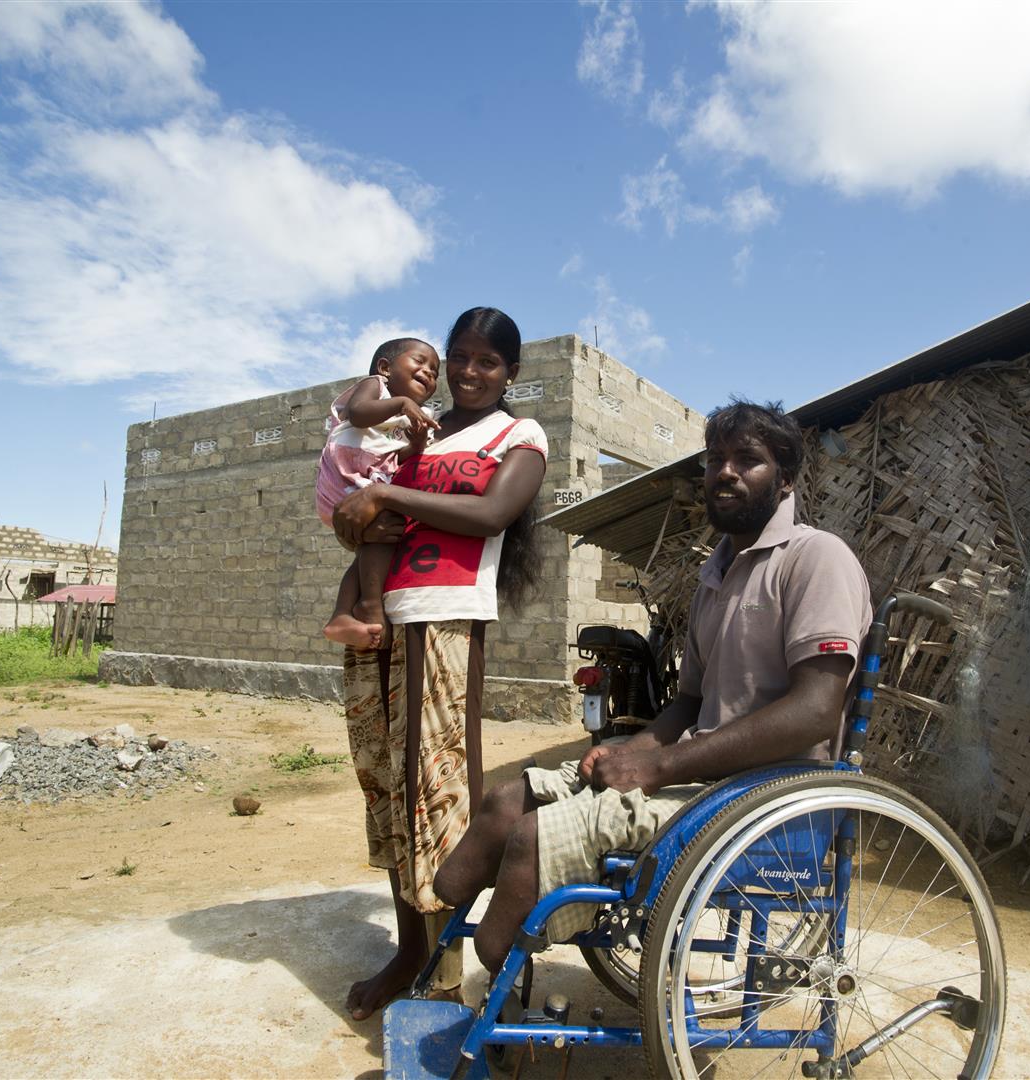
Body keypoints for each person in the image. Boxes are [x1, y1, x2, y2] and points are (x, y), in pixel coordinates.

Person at [433, 399, 874, 973]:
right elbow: (686, 705)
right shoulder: (715, 574)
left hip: (770, 801)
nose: (727, 472)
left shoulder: (816, 559)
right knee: (502, 806)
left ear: (785, 479)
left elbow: (816, 712)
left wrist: (660, 768)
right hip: (706, 784)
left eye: (749, 460)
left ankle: (497, 1002)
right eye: (716, 459)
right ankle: (455, 948)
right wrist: (626, 753)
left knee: (531, 839)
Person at [331, 307, 547, 1020]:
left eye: (488, 361)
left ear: (511, 372)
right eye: (460, 356)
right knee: (389, 791)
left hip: (445, 618)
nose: (469, 371)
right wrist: (354, 513)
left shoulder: (519, 434)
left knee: (441, 789)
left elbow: (490, 515)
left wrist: (387, 494)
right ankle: (407, 951)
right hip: (379, 620)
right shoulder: (413, 426)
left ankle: (449, 965)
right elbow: (354, 507)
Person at [316, 337, 442, 648]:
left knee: (373, 544)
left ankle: (342, 614)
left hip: (361, 483)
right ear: (385, 368)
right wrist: (402, 404)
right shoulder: (376, 387)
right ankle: (370, 605)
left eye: (435, 371)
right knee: (386, 523)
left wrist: (414, 446)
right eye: (420, 362)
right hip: (343, 480)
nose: (429, 373)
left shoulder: (402, 420)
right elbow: (357, 414)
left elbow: (391, 458)